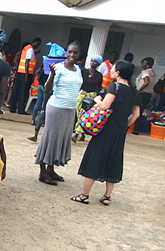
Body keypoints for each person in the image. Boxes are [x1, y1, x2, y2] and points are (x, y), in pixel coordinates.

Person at [73, 61, 141, 205]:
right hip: (120, 129)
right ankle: (107, 196)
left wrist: (97, 99)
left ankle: (84, 195)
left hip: (106, 128)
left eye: (113, 69)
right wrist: (124, 125)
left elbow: (105, 106)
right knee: (113, 159)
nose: (110, 71)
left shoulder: (114, 87)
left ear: (118, 73)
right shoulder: (134, 91)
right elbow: (136, 114)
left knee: (95, 157)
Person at [35, 42, 83, 185]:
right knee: (50, 139)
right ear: (66, 53)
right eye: (69, 52)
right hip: (56, 108)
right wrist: (53, 74)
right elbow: (48, 89)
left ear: (78, 55)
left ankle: (51, 169)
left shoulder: (78, 69)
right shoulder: (58, 68)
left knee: (61, 139)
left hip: (70, 110)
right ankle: (42, 172)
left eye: (75, 53)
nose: (72, 55)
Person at [73, 55, 104, 141]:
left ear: (98, 64)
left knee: (85, 115)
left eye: (95, 62)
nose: (93, 63)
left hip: (91, 97)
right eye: (92, 61)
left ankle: (76, 134)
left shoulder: (99, 75)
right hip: (82, 94)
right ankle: (82, 133)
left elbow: (99, 87)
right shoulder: (83, 71)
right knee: (79, 114)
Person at [10, 38, 41, 114]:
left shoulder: (27, 48)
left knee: (17, 90)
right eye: (38, 44)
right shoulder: (30, 49)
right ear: (36, 43)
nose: (38, 46)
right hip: (26, 73)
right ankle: (21, 109)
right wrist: (27, 76)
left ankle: (12, 107)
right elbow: (27, 62)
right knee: (23, 92)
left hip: (21, 72)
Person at [133, 57, 156, 134]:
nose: (142, 64)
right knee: (141, 111)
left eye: (143, 63)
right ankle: (137, 128)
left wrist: (139, 90)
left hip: (142, 94)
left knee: (136, 111)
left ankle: (135, 129)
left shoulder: (145, 72)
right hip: (148, 94)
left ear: (147, 64)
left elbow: (146, 82)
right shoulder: (152, 73)